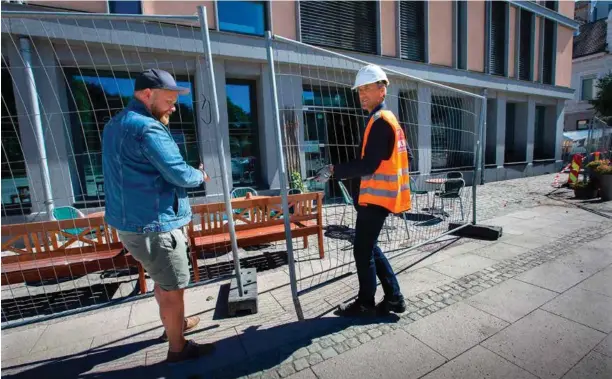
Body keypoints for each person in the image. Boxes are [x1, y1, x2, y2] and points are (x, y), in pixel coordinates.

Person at [102, 68, 213, 363]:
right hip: (156, 226)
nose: (174, 108)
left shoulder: (114, 124)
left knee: (161, 281)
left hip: (131, 225)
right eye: (169, 100)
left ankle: (176, 324)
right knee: (173, 287)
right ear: (147, 94)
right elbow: (178, 173)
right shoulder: (147, 128)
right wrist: (200, 174)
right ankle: (178, 347)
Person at [314, 64, 411, 317]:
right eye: (359, 91)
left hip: (376, 199)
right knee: (368, 246)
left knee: (362, 249)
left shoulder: (380, 122)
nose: (362, 95)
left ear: (382, 90)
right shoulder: (386, 120)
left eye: (367, 88)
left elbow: (369, 164)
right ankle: (394, 298)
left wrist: (334, 170)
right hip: (380, 196)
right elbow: (404, 154)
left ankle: (366, 302)